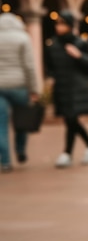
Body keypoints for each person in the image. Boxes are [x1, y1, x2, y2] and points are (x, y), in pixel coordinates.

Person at [45, 10, 88, 168]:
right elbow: (50, 67)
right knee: (70, 120)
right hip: (62, 87)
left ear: (69, 25)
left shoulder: (81, 43)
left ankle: (67, 153)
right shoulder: (53, 45)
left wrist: (79, 56)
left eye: (62, 23)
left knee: (71, 119)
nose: (58, 26)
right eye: (57, 23)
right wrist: (51, 78)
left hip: (76, 88)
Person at [0, 12, 41, 173]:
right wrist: (34, 90)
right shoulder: (23, 37)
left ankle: (5, 161)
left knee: (1, 126)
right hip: (19, 86)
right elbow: (30, 66)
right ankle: (20, 150)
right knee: (22, 121)